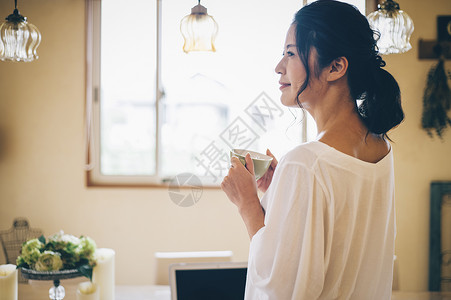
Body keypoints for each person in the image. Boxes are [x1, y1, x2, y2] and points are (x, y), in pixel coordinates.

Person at [221, 0, 405, 299]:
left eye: (291, 53)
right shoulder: (380, 147)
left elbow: (281, 288)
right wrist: (280, 192)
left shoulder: (305, 163)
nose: (279, 66)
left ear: (335, 67)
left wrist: (248, 205)